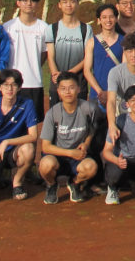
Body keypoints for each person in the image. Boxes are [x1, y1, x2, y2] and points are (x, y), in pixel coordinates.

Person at [0, 69, 39, 203]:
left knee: (28, 149)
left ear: (19, 87)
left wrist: (7, 142)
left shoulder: (27, 104)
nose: (9, 89)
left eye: (14, 85)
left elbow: (33, 136)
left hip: (14, 151)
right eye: (5, 85)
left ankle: (17, 182)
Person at [38, 73, 98, 205]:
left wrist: (86, 143)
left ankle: (75, 183)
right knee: (45, 165)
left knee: (91, 167)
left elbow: (92, 129)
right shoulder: (52, 113)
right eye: (63, 89)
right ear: (58, 91)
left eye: (71, 87)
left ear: (79, 89)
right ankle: (52, 185)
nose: (68, 92)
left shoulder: (89, 109)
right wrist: (71, 153)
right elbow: (46, 147)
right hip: (57, 156)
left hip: (79, 157)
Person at [4, 0, 49, 122]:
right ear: (18, 3)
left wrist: (33, 66)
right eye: (25, 0)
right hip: (12, 84)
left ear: (37, 4)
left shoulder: (44, 27)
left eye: (33, 0)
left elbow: (44, 54)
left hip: (34, 82)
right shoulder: (7, 27)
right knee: (11, 124)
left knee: (32, 125)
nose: (29, 3)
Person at [46, 0, 93, 104]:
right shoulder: (52, 28)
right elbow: (50, 56)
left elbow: (87, 58)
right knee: (56, 118)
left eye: (72, 1)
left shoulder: (86, 29)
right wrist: (56, 74)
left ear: (77, 3)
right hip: (57, 82)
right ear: (59, 5)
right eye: (65, 2)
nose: (68, 5)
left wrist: (68, 74)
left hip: (78, 83)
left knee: (79, 119)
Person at [83, 3, 123, 113]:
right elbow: (87, 70)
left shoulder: (124, 42)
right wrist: (100, 92)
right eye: (104, 17)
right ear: (99, 20)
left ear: (116, 18)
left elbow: (125, 70)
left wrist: (112, 92)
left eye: (111, 17)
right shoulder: (92, 42)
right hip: (97, 94)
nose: (108, 20)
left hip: (118, 94)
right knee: (96, 128)